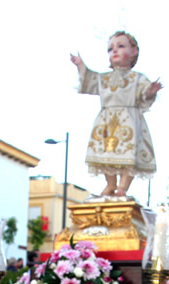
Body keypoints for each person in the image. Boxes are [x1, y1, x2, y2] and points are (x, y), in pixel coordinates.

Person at [70, 31, 161, 197]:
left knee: (128, 152)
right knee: (105, 153)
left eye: (121, 46)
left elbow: (144, 94)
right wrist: (80, 66)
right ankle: (110, 184)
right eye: (111, 49)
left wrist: (150, 91)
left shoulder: (137, 78)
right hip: (107, 119)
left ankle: (123, 187)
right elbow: (89, 81)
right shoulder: (104, 78)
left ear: (133, 51)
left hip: (129, 120)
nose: (115, 51)